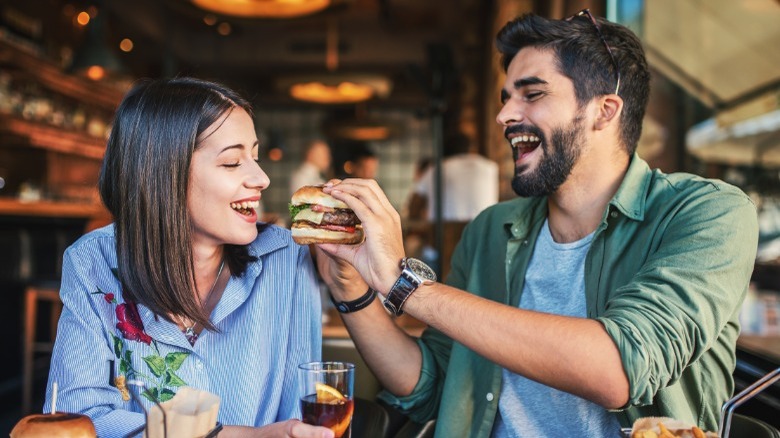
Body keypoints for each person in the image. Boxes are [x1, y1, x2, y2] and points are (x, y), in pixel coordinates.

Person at [314, 10, 758, 437]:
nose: (504, 116)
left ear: (604, 110)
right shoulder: (490, 229)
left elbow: (618, 368)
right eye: (506, 97)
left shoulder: (708, 213)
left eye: (533, 94)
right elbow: (431, 386)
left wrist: (403, 284)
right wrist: (351, 288)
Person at [43, 78, 332, 438]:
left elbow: (302, 415)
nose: (261, 178)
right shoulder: (93, 261)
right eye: (231, 162)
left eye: (255, 158)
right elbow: (76, 421)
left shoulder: (287, 258)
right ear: (163, 172)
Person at [414, 132, 499, 221]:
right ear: (471, 148)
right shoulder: (490, 167)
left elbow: (415, 204)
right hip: (484, 226)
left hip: (445, 230)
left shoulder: (436, 169)